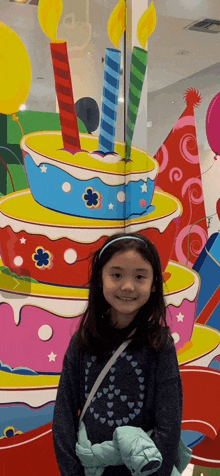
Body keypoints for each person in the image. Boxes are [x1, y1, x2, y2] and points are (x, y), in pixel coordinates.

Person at [52, 232, 183, 476]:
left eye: (140, 276)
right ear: (100, 278)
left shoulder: (159, 346)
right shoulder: (82, 342)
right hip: (91, 471)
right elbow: (63, 417)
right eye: (116, 274)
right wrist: (72, 473)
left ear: (154, 283)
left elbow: (169, 426)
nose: (128, 286)